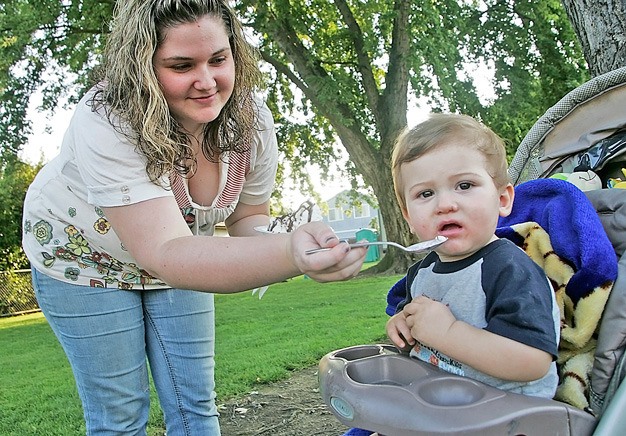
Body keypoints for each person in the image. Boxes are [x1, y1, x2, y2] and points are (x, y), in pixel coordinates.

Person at [21, 1, 366, 434]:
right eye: (181, 65)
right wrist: (290, 254)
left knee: (194, 404)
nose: (206, 82)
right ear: (142, 66)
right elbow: (164, 251)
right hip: (84, 259)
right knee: (120, 416)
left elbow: (248, 220)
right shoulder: (106, 119)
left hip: (183, 255)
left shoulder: (252, 121)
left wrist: (298, 244)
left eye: (219, 59)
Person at [386, 113, 560, 398]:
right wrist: (402, 325)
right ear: (407, 215)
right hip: (439, 404)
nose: (445, 204)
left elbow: (533, 362)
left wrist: (447, 333)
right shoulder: (422, 273)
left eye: (464, 186)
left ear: (502, 199)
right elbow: (416, 324)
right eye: (425, 194)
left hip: (508, 414)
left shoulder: (509, 270)